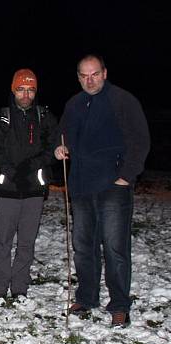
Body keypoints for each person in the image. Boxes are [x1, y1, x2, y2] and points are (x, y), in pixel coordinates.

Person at [54, 54, 150, 327]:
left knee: (115, 247)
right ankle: (86, 297)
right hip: (82, 186)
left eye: (94, 74)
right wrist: (60, 148)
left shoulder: (123, 100)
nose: (89, 80)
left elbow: (140, 140)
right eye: (84, 75)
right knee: (83, 246)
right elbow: (62, 134)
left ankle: (119, 304)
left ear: (105, 73)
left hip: (113, 186)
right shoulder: (74, 104)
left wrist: (126, 175)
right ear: (78, 77)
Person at [0, 69, 60, 302]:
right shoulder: (1, 117)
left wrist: (32, 167)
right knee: (3, 240)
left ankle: (20, 287)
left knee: (26, 241)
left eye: (30, 89)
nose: (26, 94)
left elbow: (52, 147)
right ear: (13, 90)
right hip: (7, 187)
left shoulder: (45, 117)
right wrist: (11, 170)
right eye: (21, 89)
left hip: (33, 188)